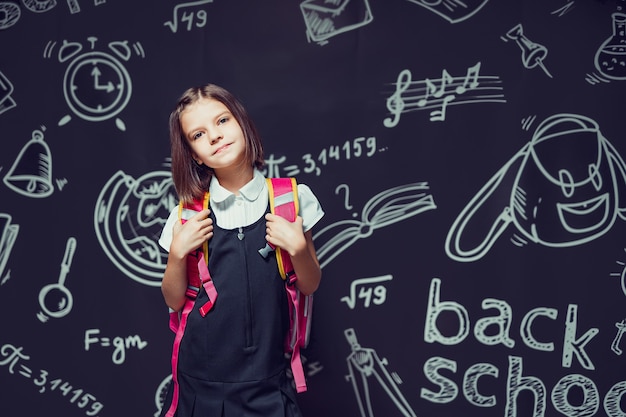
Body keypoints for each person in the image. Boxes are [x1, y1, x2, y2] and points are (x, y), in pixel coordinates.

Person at [157, 83, 324, 417]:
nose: (215, 136)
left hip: (268, 381)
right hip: (200, 385)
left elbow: (310, 284)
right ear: (193, 153)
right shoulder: (185, 215)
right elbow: (173, 300)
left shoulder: (291, 199)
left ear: (242, 123)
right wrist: (177, 255)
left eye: (222, 121)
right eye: (199, 134)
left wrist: (298, 248)